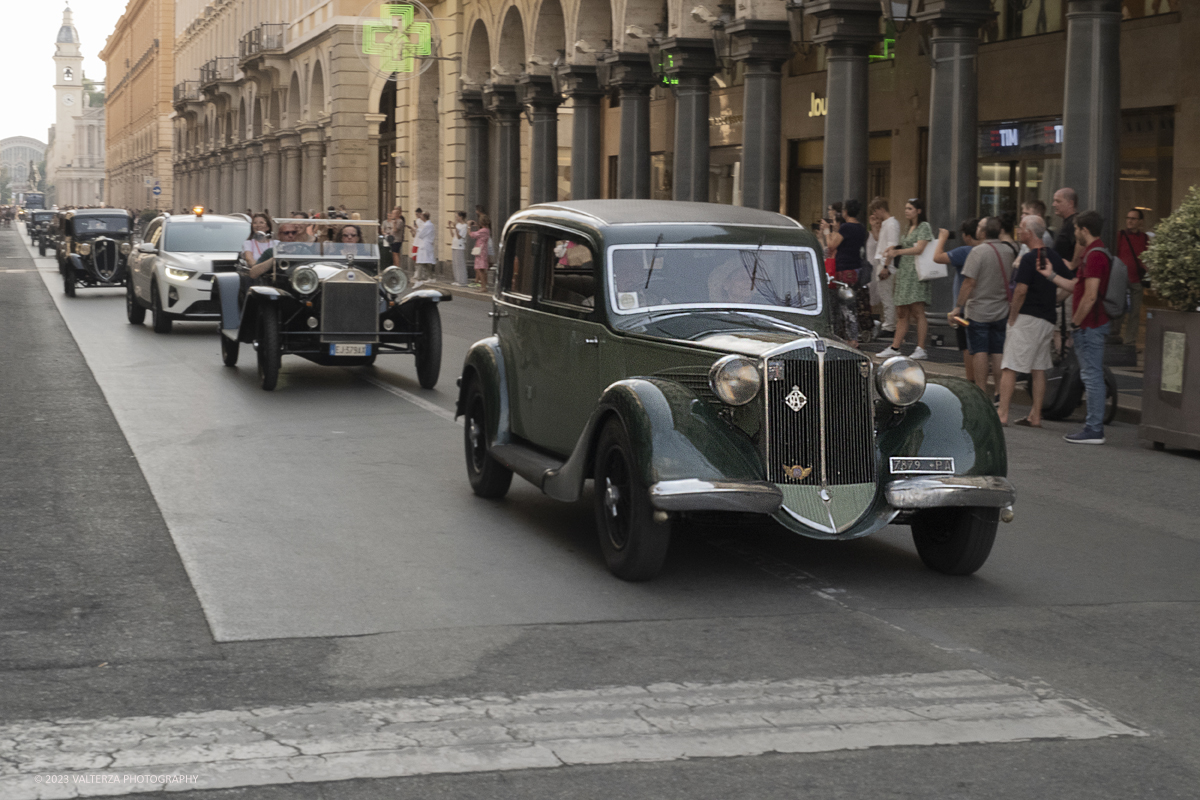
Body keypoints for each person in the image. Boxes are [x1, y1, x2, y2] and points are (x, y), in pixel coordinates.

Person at [1038, 210, 1110, 445]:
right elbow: (1075, 285)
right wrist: (1051, 276)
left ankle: (1094, 428)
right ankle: (1093, 426)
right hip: (1090, 326)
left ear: (1084, 231)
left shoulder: (1094, 255)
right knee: (1091, 374)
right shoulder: (1094, 252)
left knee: (1092, 376)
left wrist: (1075, 323)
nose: (1074, 233)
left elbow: (1089, 296)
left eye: (1076, 229)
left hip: (1089, 326)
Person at [998, 215, 1068, 427]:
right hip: (1047, 318)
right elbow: (1070, 283)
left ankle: (1002, 413)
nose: (1019, 231)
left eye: (1021, 228)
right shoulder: (1053, 257)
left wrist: (1012, 316)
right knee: (1039, 368)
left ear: (1029, 232)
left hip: (1027, 318)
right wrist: (1054, 299)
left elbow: (1020, 291)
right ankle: (1035, 414)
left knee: (1010, 366)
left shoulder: (1029, 259)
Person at [950, 217, 1010, 400]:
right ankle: (999, 391)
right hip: (1001, 308)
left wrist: (958, 307)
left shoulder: (978, 251)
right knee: (998, 351)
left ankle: (982, 391)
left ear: (983, 233)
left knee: (980, 350)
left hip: (979, 310)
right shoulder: (1009, 251)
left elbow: (969, 282)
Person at [878, 198, 933, 360]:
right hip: (905, 273)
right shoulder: (908, 227)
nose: (906, 211)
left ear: (918, 211)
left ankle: (921, 348)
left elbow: (920, 248)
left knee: (917, 310)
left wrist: (898, 252)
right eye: (906, 208)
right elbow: (907, 246)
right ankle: (895, 346)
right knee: (901, 311)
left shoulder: (924, 227)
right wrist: (894, 248)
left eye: (910, 208)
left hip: (916, 273)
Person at [932, 218, 982, 381]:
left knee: (966, 345)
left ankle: (971, 380)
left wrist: (942, 238)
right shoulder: (987, 250)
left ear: (967, 236)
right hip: (983, 306)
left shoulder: (965, 251)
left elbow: (937, 257)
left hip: (962, 310)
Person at [821, 198, 867, 348]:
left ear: (846, 212)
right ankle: (852, 336)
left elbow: (831, 246)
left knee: (845, 306)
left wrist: (828, 232)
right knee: (851, 303)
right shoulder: (861, 228)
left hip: (844, 269)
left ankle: (851, 338)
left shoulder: (846, 228)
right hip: (856, 268)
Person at [1117, 207, 1150, 347]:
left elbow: (1146, 256)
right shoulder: (1120, 235)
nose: (1129, 221)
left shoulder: (1144, 238)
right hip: (1121, 278)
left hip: (1137, 279)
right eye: (1128, 218)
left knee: (1135, 312)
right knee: (1119, 309)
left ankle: (1129, 341)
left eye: (1133, 218)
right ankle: (1115, 337)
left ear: (1140, 222)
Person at [867, 196, 899, 337]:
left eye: (875, 211)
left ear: (880, 209)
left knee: (886, 296)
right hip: (883, 262)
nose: (875, 215)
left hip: (885, 263)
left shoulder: (891, 224)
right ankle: (889, 323)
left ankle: (889, 326)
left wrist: (886, 266)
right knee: (884, 295)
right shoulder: (888, 224)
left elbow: (891, 245)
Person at [1051, 187, 1079, 266]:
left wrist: (1073, 264)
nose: (1054, 204)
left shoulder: (1075, 223)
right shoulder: (1068, 222)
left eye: (1058, 201)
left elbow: (1081, 244)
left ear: (1070, 204)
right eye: (1054, 201)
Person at [468, 214, 491, 290]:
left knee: (480, 269)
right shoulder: (487, 230)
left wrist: (469, 226)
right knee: (482, 269)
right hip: (483, 250)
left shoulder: (483, 231)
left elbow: (471, 235)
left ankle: (483, 287)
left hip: (480, 251)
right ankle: (483, 285)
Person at [412, 212, 435, 282]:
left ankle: (424, 277)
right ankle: (429, 277)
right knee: (423, 262)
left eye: (422, 216)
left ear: (424, 217)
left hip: (425, 245)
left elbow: (421, 235)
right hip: (425, 245)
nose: (421, 217)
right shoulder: (429, 225)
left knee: (424, 261)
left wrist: (417, 229)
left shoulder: (427, 225)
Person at [448, 211, 469, 286]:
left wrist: (456, 228)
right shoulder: (458, 225)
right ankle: (457, 280)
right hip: (454, 244)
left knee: (460, 263)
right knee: (455, 264)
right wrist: (450, 226)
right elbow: (453, 235)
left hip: (460, 245)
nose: (456, 218)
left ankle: (462, 281)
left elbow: (459, 236)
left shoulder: (464, 226)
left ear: (461, 217)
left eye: (457, 217)